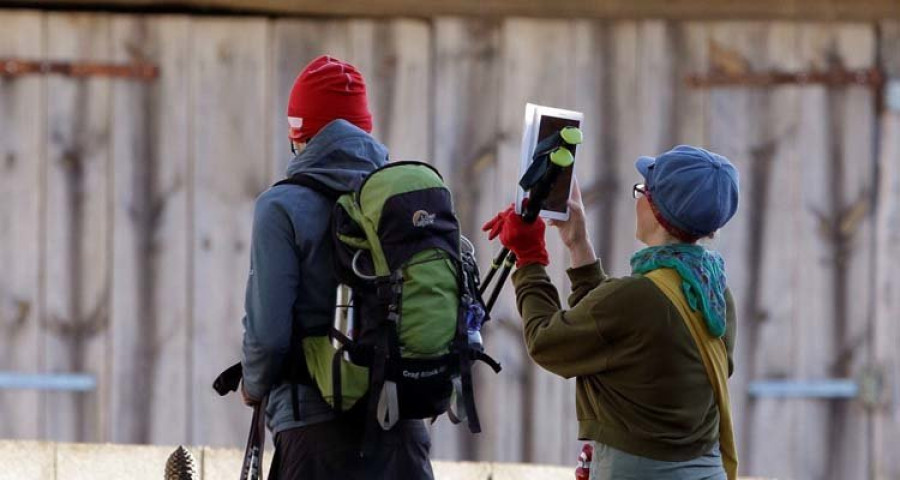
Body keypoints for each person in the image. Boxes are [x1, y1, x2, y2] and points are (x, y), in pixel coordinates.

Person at [483, 145, 740, 480]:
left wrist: (530, 259)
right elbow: (616, 332)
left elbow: (546, 342)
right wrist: (578, 243)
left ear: (655, 207)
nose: (638, 199)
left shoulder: (637, 297)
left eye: (642, 191)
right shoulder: (713, 290)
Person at [240, 55, 434, 480]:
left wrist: (252, 387)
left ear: (299, 132)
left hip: (314, 436)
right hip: (402, 432)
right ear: (366, 128)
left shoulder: (281, 206)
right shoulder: (405, 204)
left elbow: (268, 339)